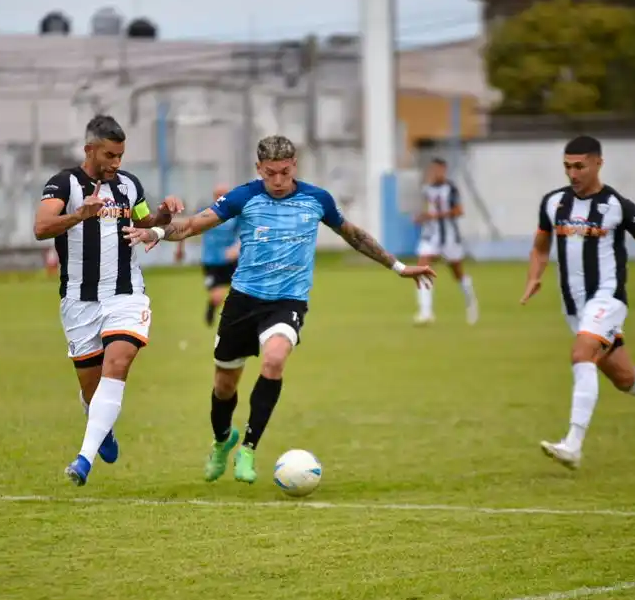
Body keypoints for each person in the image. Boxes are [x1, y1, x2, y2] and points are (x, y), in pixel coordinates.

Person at [124, 135, 436, 483]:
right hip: (243, 300)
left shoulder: (317, 199)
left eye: (284, 172)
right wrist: (157, 233)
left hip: (288, 301)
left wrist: (398, 266)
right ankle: (223, 440)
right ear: (259, 169)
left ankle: (248, 449)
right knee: (224, 386)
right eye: (270, 173)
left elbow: (354, 235)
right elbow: (194, 224)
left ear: (294, 167)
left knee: (274, 360)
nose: (277, 180)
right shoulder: (244, 196)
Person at [521, 135, 635, 470]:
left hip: (608, 299)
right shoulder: (554, 202)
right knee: (625, 379)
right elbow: (540, 246)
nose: (572, 174)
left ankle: (573, 444)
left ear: (598, 163)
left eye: (580, 166)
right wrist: (535, 275)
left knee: (581, 354)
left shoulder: (618, 206)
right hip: (574, 307)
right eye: (567, 167)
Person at [33, 115, 184, 486]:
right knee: (91, 388)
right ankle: (102, 426)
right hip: (79, 301)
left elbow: (145, 221)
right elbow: (41, 228)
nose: (116, 163)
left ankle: (83, 460)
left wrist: (164, 214)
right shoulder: (63, 183)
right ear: (90, 150)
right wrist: (78, 215)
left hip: (125, 294)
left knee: (119, 360)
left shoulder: (129, 185)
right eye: (110, 155)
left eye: (120, 155)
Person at [413, 157, 479, 326]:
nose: (434, 173)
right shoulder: (426, 190)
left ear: (444, 170)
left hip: (449, 238)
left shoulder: (451, 189)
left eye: (438, 170)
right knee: (421, 269)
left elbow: (459, 211)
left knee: (458, 274)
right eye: (432, 170)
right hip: (430, 237)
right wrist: (420, 217)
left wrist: (437, 215)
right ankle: (425, 312)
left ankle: (471, 302)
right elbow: (425, 211)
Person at [174, 185, 242, 326]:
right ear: (214, 197)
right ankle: (212, 307)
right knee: (217, 296)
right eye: (218, 195)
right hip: (211, 261)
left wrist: (237, 248)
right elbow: (186, 228)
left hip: (230, 260)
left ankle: (236, 321)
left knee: (241, 293)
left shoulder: (236, 215)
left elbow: (246, 233)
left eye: (224, 195)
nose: (221, 198)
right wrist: (180, 249)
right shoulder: (205, 213)